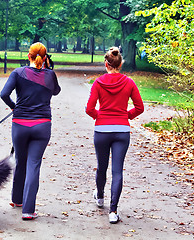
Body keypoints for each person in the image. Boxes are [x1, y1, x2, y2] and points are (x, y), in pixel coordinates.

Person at [0, 42, 61, 220]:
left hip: (20, 124)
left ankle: (16, 199)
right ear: (45, 57)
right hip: (42, 126)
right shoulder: (50, 75)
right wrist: (49, 69)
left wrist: (14, 107)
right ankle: (28, 210)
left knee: (21, 160)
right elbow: (56, 91)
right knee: (33, 164)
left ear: (29, 56)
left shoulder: (18, 73)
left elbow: (4, 94)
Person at [85, 47, 144, 224]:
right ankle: (113, 211)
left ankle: (100, 197)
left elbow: (89, 109)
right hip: (122, 131)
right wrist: (126, 116)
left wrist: (100, 116)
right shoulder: (129, 82)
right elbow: (139, 107)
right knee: (117, 170)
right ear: (120, 64)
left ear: (106, 64)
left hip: (102, 130)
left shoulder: (98, 82)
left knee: (101, 166)